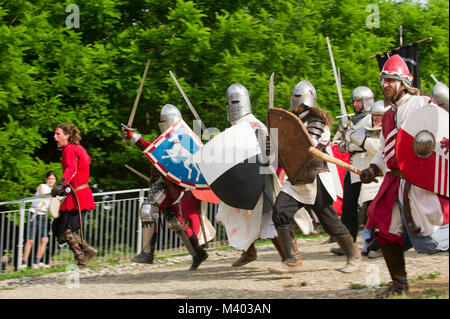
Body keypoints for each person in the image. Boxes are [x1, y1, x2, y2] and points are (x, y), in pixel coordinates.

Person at [360, 54, 449, 297]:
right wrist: (373, 169)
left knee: (439, 227)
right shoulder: (389, 115)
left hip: (423, 181)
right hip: (397, 181)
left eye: (390, 79)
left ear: (402, 82)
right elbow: (385, 149)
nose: (385, 85)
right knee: (384, 228)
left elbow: (440, 135)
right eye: (383, 80)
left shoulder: (422, 105)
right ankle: (399, 284)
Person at [268, 80, 361, 274]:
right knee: (280, 212)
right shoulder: (295, 120)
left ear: (307, 100)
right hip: (296, 178)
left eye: (298, 98)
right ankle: (292, 260)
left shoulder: (316, 121)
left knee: (330, 222)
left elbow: (309, 143)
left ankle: (353, 254)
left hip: (314, 177)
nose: (295, 102)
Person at [122, 104, 208, 270]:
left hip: (167, 186)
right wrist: (133, 138)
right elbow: (153, 151)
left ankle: (147, 253)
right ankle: (198, 253)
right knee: (175, 221)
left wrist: (136, 138)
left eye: (163, 120)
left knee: (147, 210)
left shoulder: (180, 140)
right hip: (164, 185)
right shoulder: (165, 141)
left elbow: (151, 148)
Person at [216, 83, 286, 267]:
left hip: (260, 181)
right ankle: (249, 252)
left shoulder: (254, 124)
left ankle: (287, 256)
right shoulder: (234, 127)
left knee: (269, 219)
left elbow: (269, 156)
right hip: (241, 182)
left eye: (236, 102)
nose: (232, 107)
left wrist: (268, 149)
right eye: (229, 103)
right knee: (228, 215)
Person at [330, 88, 381, 256]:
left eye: (358, 101)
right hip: (352, 166)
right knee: (348, 206)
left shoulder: (373, 118)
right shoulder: (349, 120)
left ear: (366, 101)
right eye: (354, 101)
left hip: (368, 165)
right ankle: (348, 243)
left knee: (369, 207)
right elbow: (336, 142)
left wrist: (355, 141)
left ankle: (372, 243)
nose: (355, 104)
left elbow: (376, 143)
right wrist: (344, 141)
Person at [51, 124, 97, 268]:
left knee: (62, 230)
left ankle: (83, 257)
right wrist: (64, 189)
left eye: (58, 134)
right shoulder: (79, 149)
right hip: (78, 193)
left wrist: (60, 184)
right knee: (59, 227)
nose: (54, 137)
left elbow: (72, 169)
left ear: (66, 136)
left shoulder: (69, 150)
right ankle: (86, 251)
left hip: (78, 195)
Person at [21, 171, 56, 270]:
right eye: (49, 179)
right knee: (30, 240)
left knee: (45, 239)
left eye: (53, 179)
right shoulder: (42, 186)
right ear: (46, 180)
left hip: (43, 216)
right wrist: (56, 195)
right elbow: (43, 195)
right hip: (34, 214)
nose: (51, 181)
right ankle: (23, 262)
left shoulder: (53, 190)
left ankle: (37, 261)